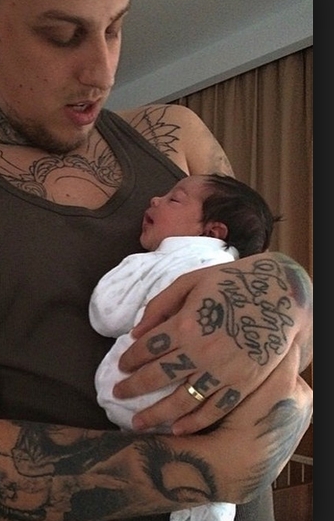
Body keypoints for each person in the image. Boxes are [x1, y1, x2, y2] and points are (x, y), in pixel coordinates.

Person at [0, 0, 313, 521]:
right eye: (62, 35)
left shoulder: (175, 134)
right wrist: (216, 468)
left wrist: (293, 285)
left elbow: (275, 309)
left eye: (114, 28)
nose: (102, 73)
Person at [90, 173, 282, 521]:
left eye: (174, 199)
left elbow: (108, 315)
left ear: (212, 232)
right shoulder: (242, 277)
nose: (155, 200)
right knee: (203, 469)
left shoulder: (163, 260)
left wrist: (129, 269)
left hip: (144, 392)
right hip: (226, 398)